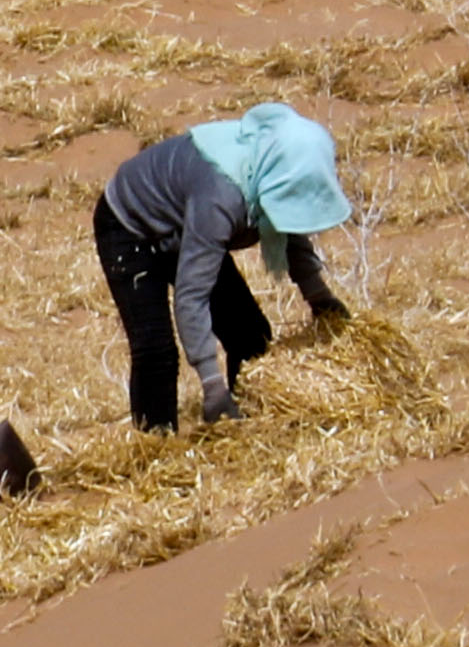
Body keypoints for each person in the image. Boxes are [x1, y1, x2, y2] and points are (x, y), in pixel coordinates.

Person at [94, 99, 353, 430]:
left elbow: (290, 226)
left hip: (185, 221)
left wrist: (320, 298)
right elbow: (192, 295)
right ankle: (156, 452)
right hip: (129, 226)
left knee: (250, 335)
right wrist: (211, 386)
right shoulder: (221, 197)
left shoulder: (268, 168)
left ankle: (244, 427)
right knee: (156, 352)